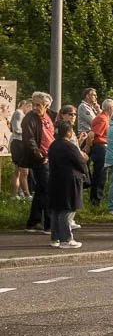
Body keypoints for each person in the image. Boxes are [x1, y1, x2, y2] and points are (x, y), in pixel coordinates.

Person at [12, 91, 53, 232]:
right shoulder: (29, 118)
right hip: (40, 159)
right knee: (47, 189)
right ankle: (49, 224)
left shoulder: (50, 115)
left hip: (51, 157)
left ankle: (33, 222)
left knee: (41, 190)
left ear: (46, 105)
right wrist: (40, 157)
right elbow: (29, 140)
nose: (34, 107)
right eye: (33, 104)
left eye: (38, 105)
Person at [46, 121, 89, 248]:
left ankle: (55, 238)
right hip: (69, 180)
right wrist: (84, 164)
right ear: (68, 132)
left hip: (55, 179)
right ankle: (66, 239)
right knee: (68, 209)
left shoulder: (53, 145)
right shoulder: (69, 146)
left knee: (56, 209)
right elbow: (80, 162)